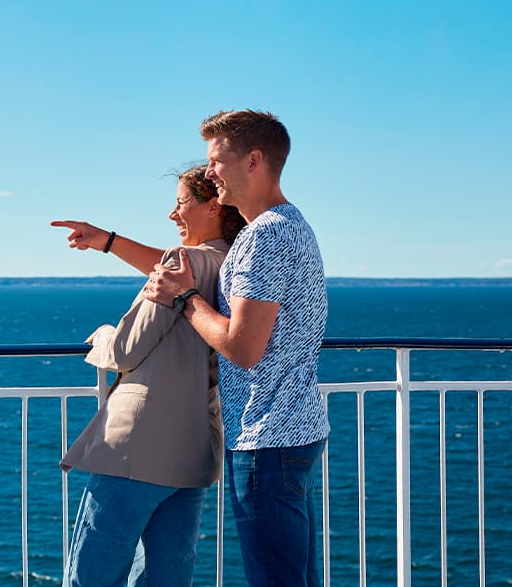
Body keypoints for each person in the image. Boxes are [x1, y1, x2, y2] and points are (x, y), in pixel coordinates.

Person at [143, 110, 328, 586]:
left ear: (254, 161)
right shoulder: (291, 225)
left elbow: (244, 347)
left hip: (267, 439)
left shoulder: (263, 237)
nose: (209, 174)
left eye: (216, 161)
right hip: (296, 428)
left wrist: (185, 299)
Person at [52, 164, 246, 587]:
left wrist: (102, 336)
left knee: (93, 573)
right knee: (167, 575)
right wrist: (107, 241)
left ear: (212, 206)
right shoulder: (235, 265)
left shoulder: (182, 261)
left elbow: (124, 350)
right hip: (194, 446)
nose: (172, 214)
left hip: (138, 446)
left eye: (180, 203)